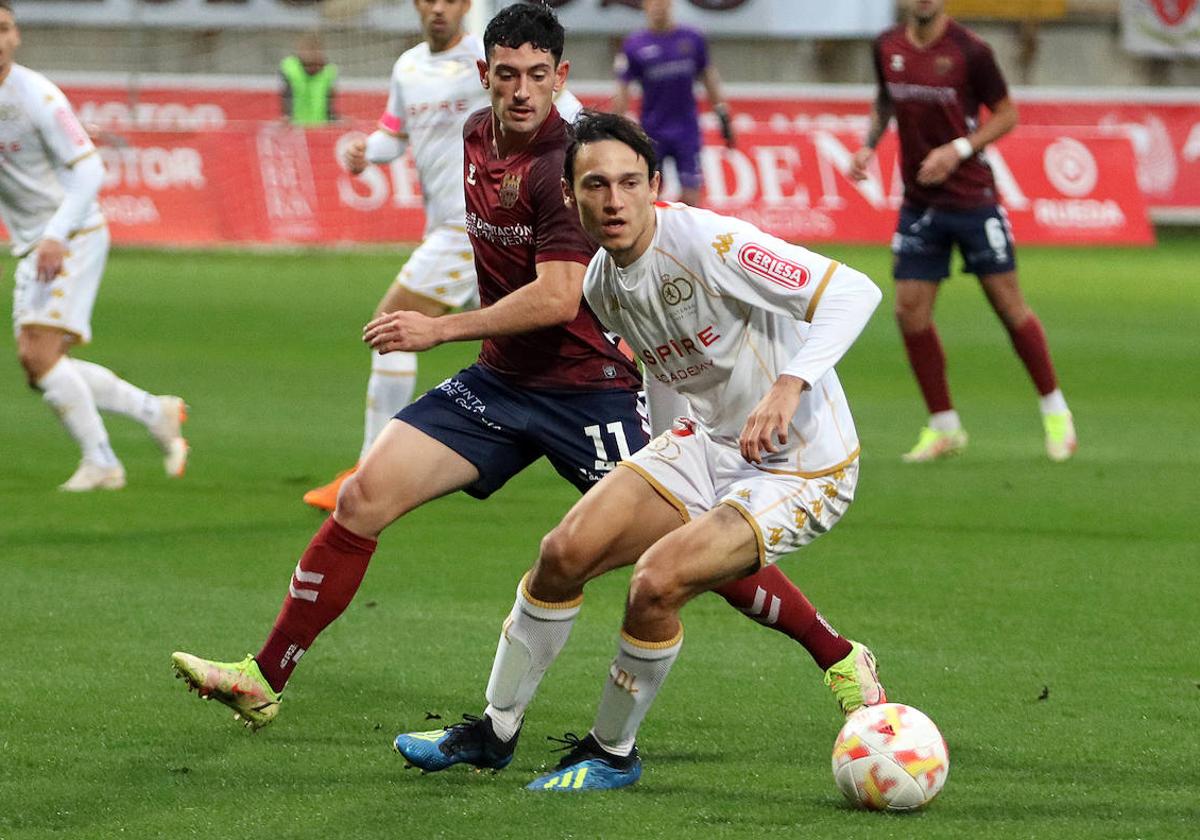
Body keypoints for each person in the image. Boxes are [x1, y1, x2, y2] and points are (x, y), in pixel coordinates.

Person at [170, 3, 855, 731]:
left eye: (538, 76)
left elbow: (561, 298)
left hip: (589, 391)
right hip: (500, 383)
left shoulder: (570, 169)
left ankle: (837, 654)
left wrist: (439, 328)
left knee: (682, 557)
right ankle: (264, 676)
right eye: (507, 75)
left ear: (560, 78)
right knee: (363, 497)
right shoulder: (474, 136)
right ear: (483, 76)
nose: (522, 91)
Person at [394, 112, 887, 791]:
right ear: (570, 196)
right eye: (596, 185)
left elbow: (855, 292)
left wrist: (788, 385)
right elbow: (664, 369)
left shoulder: (712, 243)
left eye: (630, 183)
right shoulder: (600, 282)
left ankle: (612, 753)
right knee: (563, 552)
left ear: (655, 185)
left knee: (655, 584)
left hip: (804, 464)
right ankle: (494, 732)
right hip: (709, 443)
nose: (614, 200)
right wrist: (658, 461)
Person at [304, 0, 585, 512]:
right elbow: (394, 135)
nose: (438, 8)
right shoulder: (409, 67)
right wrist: (365, 152)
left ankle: (369, 470)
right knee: (546, 329)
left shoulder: (490, 68)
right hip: (451, 225)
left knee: (390, 324)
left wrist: (596, 154)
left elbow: (561, 108)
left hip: (476, 225)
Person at [849, 0, 1076, 463]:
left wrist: (958, 149)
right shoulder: (887, 45)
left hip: (973, 201)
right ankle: (944, 426)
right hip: (919, 203)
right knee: (909, 313)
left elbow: (1007, 114)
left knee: (1008, 307)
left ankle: (1056, 411)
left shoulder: (972, 51)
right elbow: (886, 99)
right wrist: (868, 146)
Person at [0, 1, 187, 491]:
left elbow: (89, 170)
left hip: (69, 235)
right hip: (35, 241)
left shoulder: (37, 95)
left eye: (4, 29)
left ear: (17, 36)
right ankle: (154, 411)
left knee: (38, 357)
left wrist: (57, 236)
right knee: (40, 364)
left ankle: (103, 462)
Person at [612, 0, 735, 207]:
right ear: (645, 6)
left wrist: (723, 115)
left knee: (691, 196)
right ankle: (655, 239)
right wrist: (614, 129)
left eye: (662, 1)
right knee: (651, 194)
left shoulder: (692, 38)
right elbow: (622, 89)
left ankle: (690, 238)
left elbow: (708, 77)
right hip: (652, 131)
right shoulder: (634, 45)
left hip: (687, 131)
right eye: (652, 2)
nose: (658, 6)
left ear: (671, 4)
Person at [280, 32, 338, 126]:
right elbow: (286, 96)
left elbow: (329, 103)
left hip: (320, 128)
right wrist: (286, 117)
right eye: (308, 49)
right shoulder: (290, 67)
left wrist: (333, 119)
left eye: (315, 49)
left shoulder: (329, 70)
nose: (312, 53)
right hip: (295, 128)